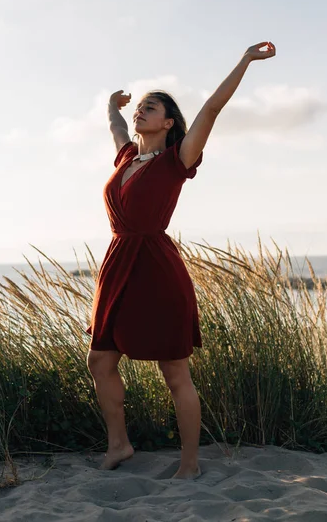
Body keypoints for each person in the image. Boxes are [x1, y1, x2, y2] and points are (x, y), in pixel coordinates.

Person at [86, 42, 276, 478]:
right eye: (141, 108)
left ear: (167, 122)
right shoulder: (127, 157)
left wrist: (245, 61)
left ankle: (189, 464)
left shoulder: (178, 159)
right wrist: (111, 106)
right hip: (117, 266)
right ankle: (120, 445)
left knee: (175, 372)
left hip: (156, 269)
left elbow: (211, 109)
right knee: (100, 360)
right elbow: (116, 125)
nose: (140, 112)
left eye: (149, 108)